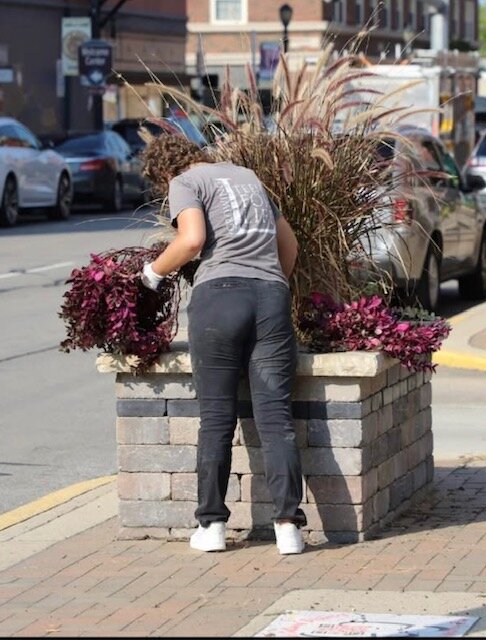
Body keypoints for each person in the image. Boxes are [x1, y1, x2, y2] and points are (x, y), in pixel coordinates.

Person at [139, 133, 307, 555]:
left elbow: (192, 241)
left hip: (219, 299)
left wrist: (153, 273)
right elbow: (290, 246)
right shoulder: (248, 177)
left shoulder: (185, 183)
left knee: (216, 418)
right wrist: (271, 286)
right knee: (275, 418)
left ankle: (211, 526)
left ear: (164, 171)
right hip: (270, 297)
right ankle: (289, 528)